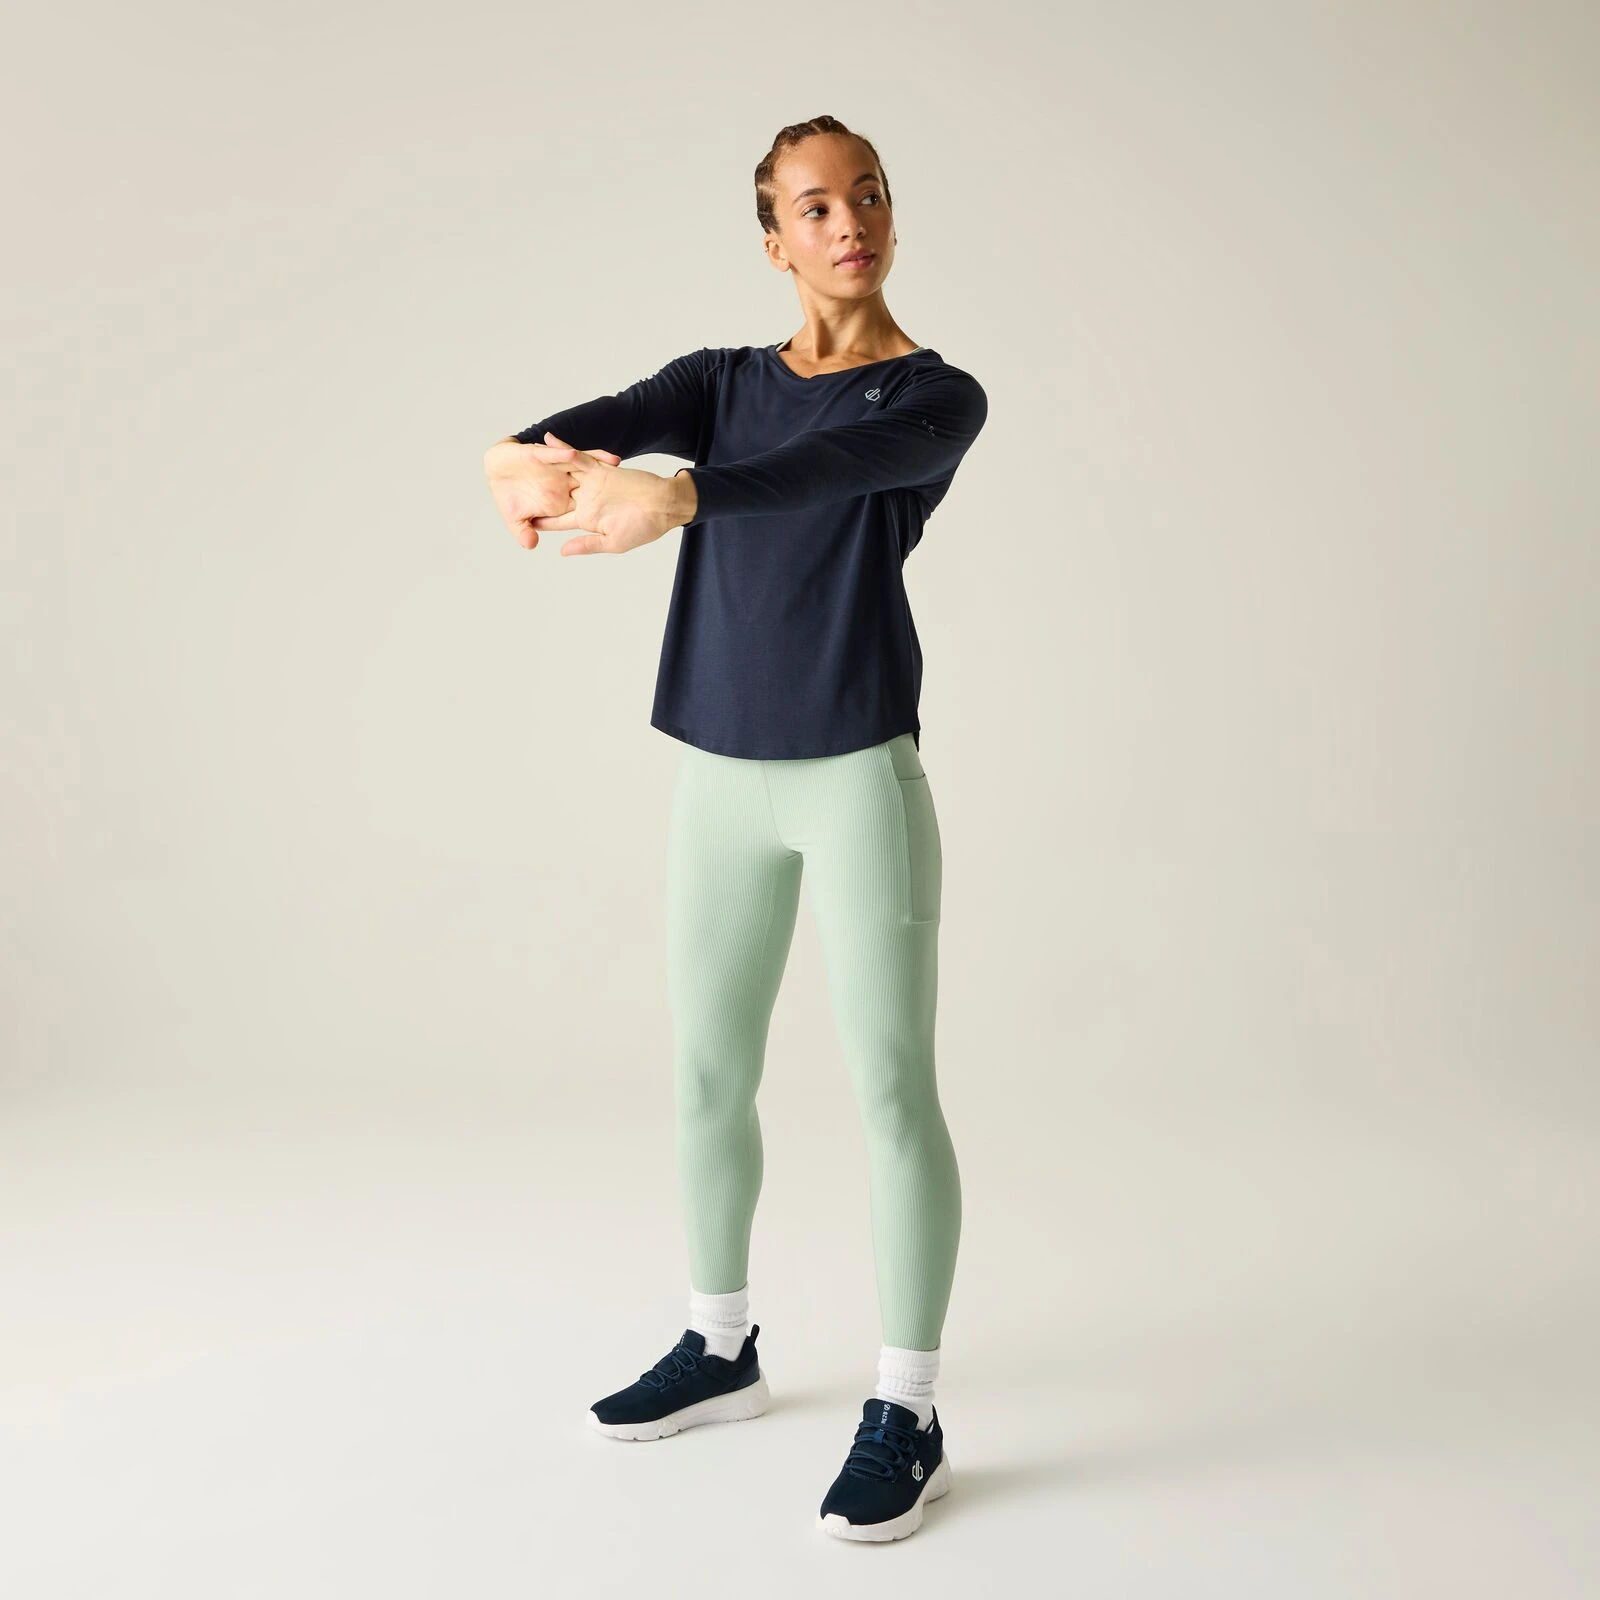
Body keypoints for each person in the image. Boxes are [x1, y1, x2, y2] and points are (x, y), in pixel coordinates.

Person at [482, 116, 988, 1543]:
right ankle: (722, 1347)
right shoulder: (716, 383)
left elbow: (818, 474)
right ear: (775, 240)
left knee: (891, 1089)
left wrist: (680, 494)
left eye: (867, 195)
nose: (849, 222)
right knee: (709, 1073)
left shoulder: (934, 398)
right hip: (719, 774)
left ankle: (910, 1409)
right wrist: (514, 464)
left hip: (856, 772)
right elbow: (559, 434)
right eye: (815, 206)